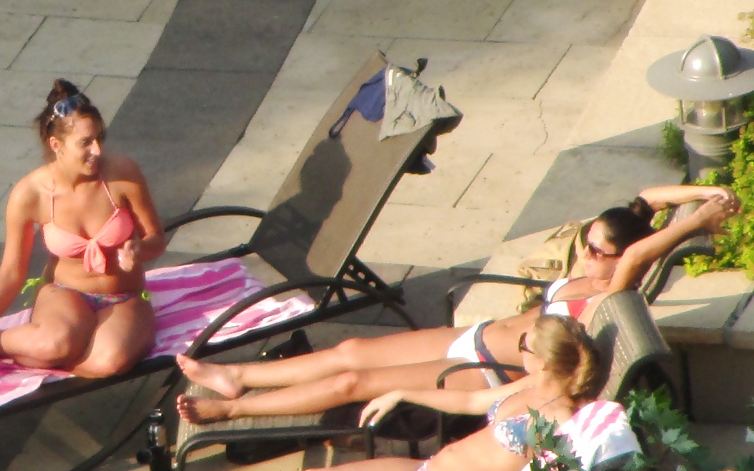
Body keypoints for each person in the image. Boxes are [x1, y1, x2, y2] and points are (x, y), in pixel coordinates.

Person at [174, 183, 736, 423]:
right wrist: (703, 195)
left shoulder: (616, 291)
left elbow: (642, 252)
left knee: (353, 383)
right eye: (586, 245)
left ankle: (234, 408)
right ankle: (236, 375)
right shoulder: (596, 272)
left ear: (623, 259)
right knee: (349, 348)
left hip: (489, 372)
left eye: (597, 251)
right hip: (477, 336)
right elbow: (650, 200)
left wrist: (702, 222)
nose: (585, 256)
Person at [144, 314, 602, 471]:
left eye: (525, 347)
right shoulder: (529, 387)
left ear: (542, 362)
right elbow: (466, 404)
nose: (518, 350)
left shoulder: (559, 423)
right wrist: (401, 390)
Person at [0, 80, 165, 378]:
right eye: (86, 143)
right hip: (65, 294)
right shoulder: (30, 194)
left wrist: (139, 249)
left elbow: (157, 241)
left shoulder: (123, 174)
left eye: (99, 138)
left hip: (124, 296)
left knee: (106, 364)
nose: (97, 150)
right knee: (53, 344)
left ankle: (47, 353)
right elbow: (11, 271)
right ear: (56, 145)